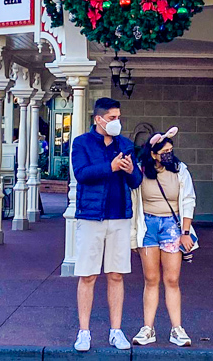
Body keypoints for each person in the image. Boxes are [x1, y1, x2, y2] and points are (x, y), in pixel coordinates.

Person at [71, 97, 142, 353]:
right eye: (112, 118)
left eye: (118, 117)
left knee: (116, 274)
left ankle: (116, 330)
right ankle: (84, 332)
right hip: (91, 216)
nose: (116, 122)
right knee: (88, 274)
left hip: (120, 216)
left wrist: (130, 169)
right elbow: (81, 174)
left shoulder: (125, 144)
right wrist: (110, 167)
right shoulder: (82, 143)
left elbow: (136, 181)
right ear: (98, 119)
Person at [130, 128, 197, 347]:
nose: (169, 155)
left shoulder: (179, 170)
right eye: (164, 152)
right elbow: (133, 203)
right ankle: (147, 328)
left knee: (172, 279)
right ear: (153, 154)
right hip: (147, 225)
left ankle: (177, 328)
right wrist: (132, 236)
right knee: (150, 279)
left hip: (171, 226)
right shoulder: (140, 171)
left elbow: (188, 200)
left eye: (170, 150)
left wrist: (185, 232)